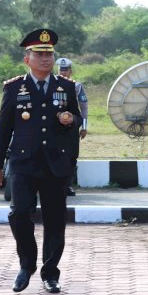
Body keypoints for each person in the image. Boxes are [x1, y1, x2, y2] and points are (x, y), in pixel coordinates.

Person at [0, 29, 82, 294]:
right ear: (26, 59)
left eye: (49, 54)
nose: (45, 59)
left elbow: (76, 121)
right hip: (23, 163)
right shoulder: (14, 87)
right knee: (19, 213)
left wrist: (70, 120)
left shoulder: (66, 87)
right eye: (39, 54)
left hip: (56, 164)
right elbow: (3, 129)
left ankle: (50, 272)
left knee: (54, 219)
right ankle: (26, 265)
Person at [56, 57, 88, 196]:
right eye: (61, 70)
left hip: (72, 126)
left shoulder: (77, 86)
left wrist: (84, 127)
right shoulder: (50, 84)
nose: (63, 72)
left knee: (71, 155)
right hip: (54, 126)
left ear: (70, 71)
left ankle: (68, 185)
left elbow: (84, 108)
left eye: (66, 70)